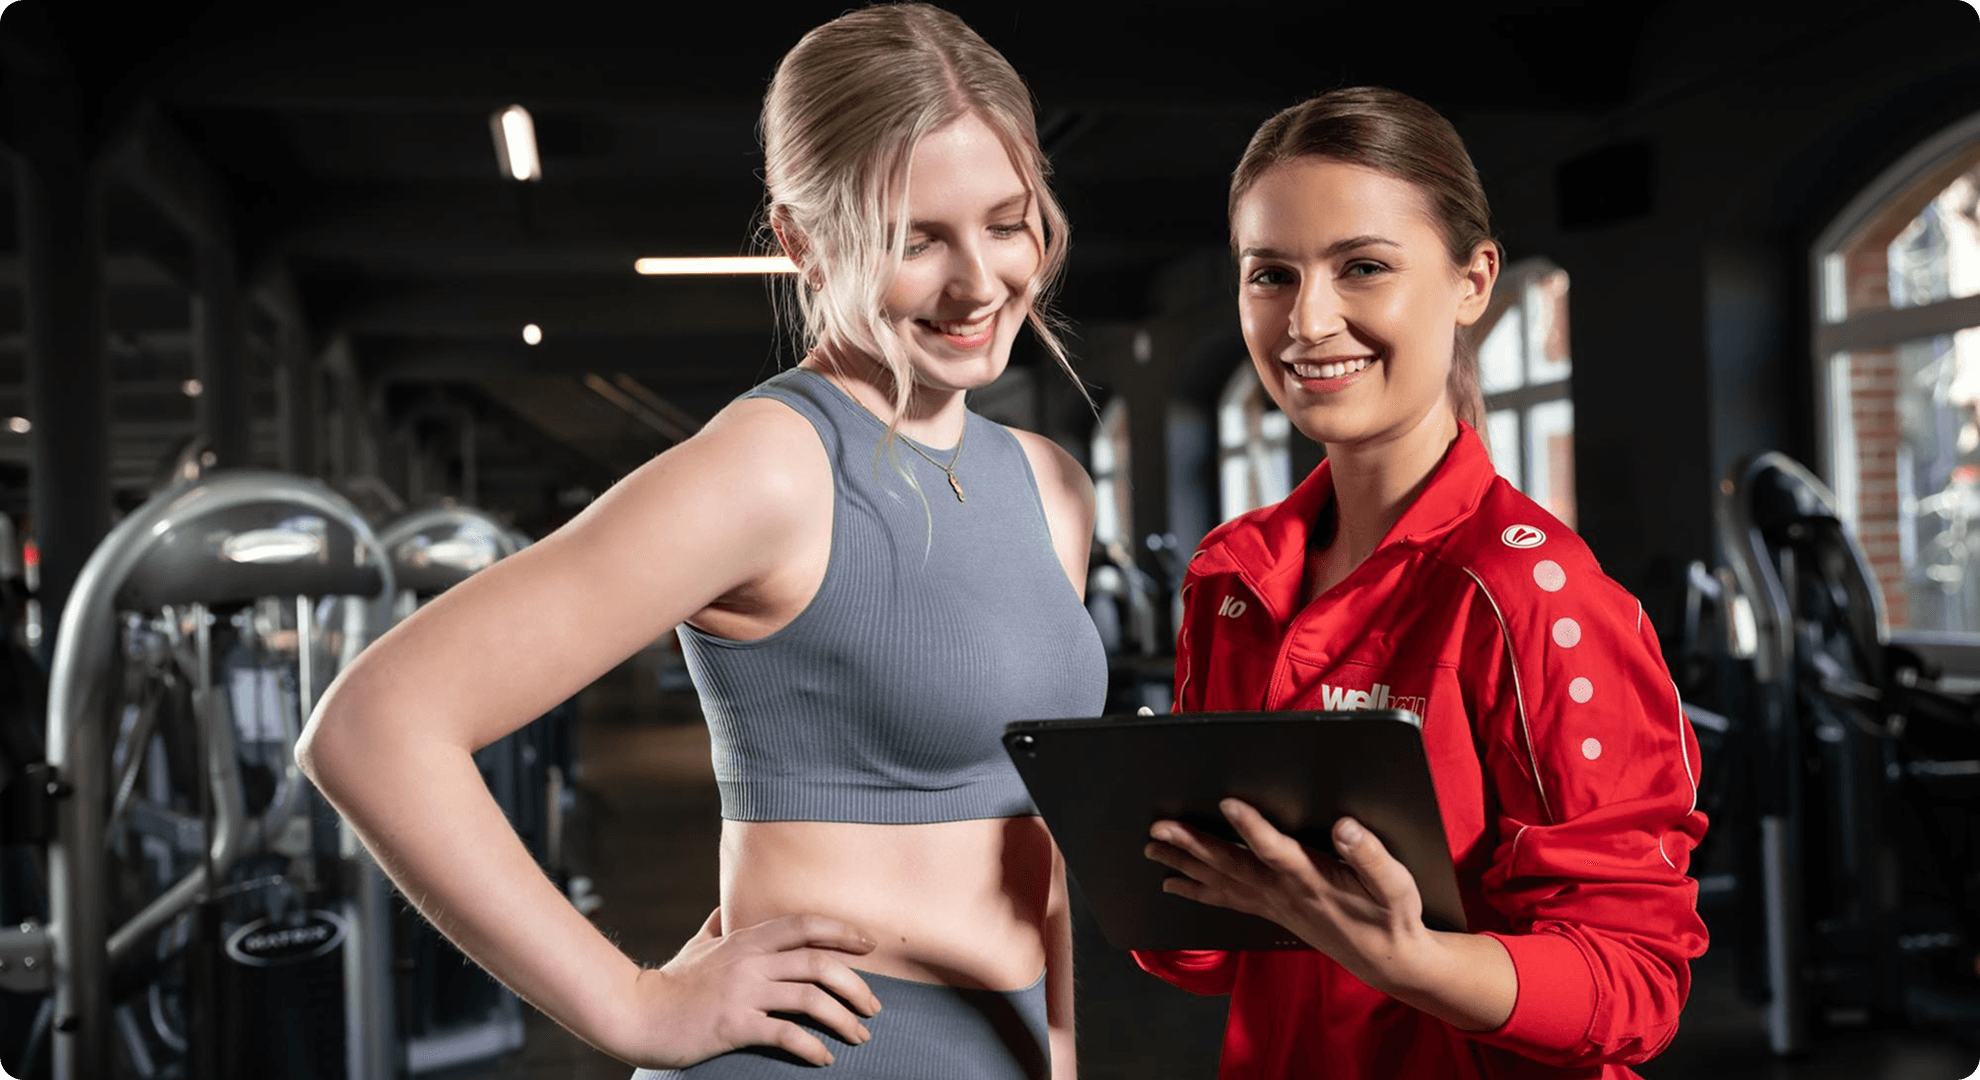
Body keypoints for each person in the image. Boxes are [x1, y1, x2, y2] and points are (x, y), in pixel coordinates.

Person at [295, 6, 1104, 1078]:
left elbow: (1030, 837)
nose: (980, 282)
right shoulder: (772, 466)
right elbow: (372, 727)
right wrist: (634, 1007)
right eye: (916, 239)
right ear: (805, 241)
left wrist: (1059, 1056)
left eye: (1007, 223)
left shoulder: (1051, 485)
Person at [1132, 87, 1709, 1079]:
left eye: (1363, 267)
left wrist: (1409, 961)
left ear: (1473, 281)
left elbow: (1635, 984)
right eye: (1271, 275)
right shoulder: (1234, 576)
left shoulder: (1532, 596)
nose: (1309, 321)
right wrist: (1152, 866)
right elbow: (1208, 956)